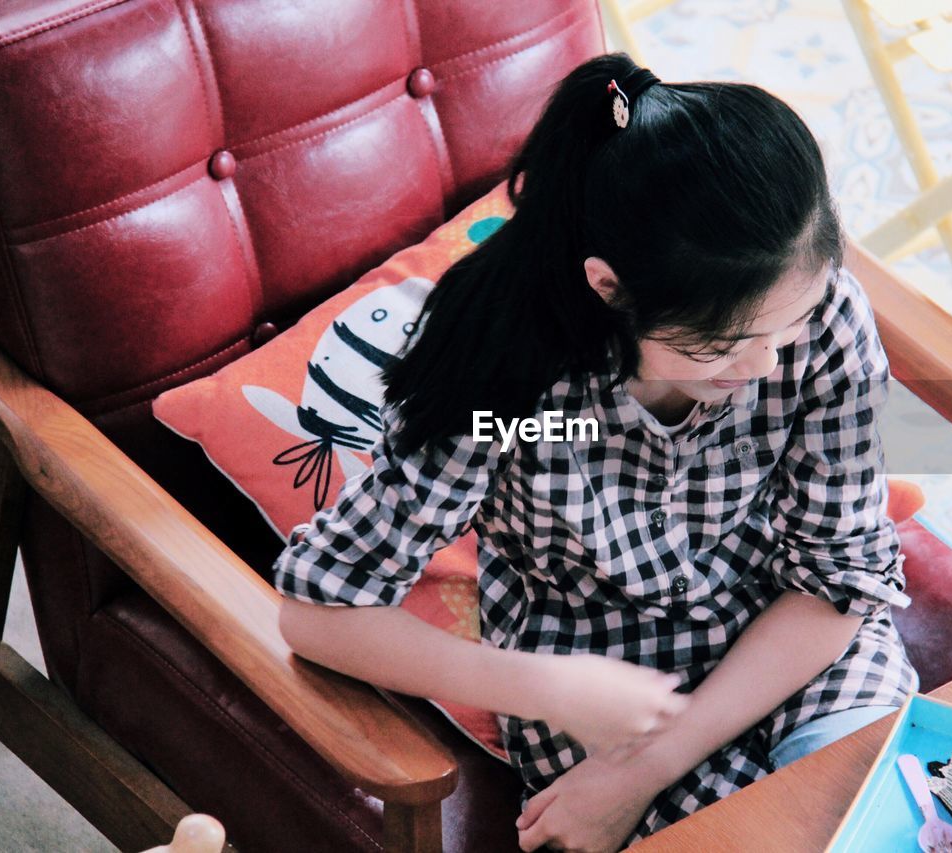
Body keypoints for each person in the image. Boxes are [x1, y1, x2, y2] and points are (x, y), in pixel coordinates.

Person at [272, 52, 919, 852]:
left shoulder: (814, 323)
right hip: (601, 680)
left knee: (893, 828)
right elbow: (319, 608)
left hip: (791, 644)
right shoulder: (515, 387)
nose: (764, 368)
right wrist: (542, 687)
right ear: (610, 289)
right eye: (723, 345)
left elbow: (836, 578)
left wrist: (646, 769)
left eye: (787, 330)